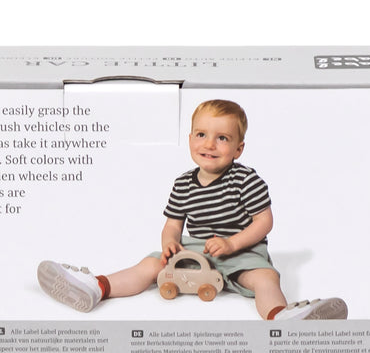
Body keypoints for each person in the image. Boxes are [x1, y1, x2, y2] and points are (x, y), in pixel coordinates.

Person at [37, 99, 347, 320]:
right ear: (189, 139)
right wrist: (169, 243)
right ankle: (97, 287)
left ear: (238, 148)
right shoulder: (184, 183)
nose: (209, 144)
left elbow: (263, 221)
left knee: (265, 278)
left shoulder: (246, 179)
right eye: (201, 135)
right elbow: (173, 224)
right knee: (149, 265)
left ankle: (280, 317)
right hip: (196, 249)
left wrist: (232, 244)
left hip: (242, 252)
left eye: (222, 138)